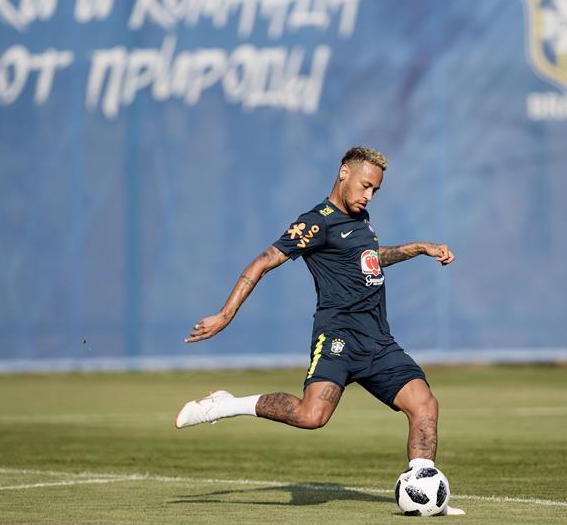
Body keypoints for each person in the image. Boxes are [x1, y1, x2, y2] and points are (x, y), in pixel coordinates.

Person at [176, 146, 455, 476]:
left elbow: (370, 258)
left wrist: (419, 248)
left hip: (378, 341)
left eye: (375, 190)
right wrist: (225, 315)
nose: (369, 196)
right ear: (344, 173)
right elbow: (264, 261)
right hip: (339, 337)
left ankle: (421, 486)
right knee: (311, 416)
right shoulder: (316, 222)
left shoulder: (360, 219)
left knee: (425, 405)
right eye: (366, 185)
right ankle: (227, 404)